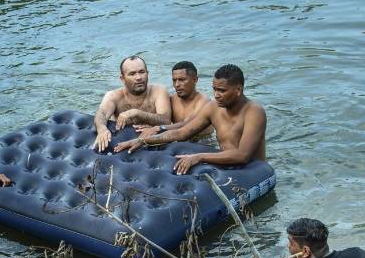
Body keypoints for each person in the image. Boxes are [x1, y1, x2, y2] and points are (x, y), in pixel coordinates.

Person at [113, 64, 267, 173]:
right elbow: (182, 133)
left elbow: (242, 155)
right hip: (225, 165)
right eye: (214, 89)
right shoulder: (213, 108)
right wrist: (141, 140)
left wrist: (199, 157)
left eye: (222, 90)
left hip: (253, 171)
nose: (216, 95)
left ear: (238, 89)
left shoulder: (254, 112)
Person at [91, 55, 172, 152]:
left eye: (142, 72)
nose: (138, 77)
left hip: (152, 144)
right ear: (122, 79)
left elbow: (166, 120)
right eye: (132, 74)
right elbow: (101, 114)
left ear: (147, 73)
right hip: (123, 144)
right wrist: (102, 129)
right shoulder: (114, 96)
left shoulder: (159, 91)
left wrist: (137, 113)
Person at [133, 61, 212, 141]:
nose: (177, 84)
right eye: (174, 80)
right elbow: (163, 119)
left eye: (182, 80)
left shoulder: (204, 102)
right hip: (179, 140)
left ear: (195, 80)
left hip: (204, 142)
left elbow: (187, 124)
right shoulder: (172, 100)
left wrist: (158, 128)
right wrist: (149, 126)